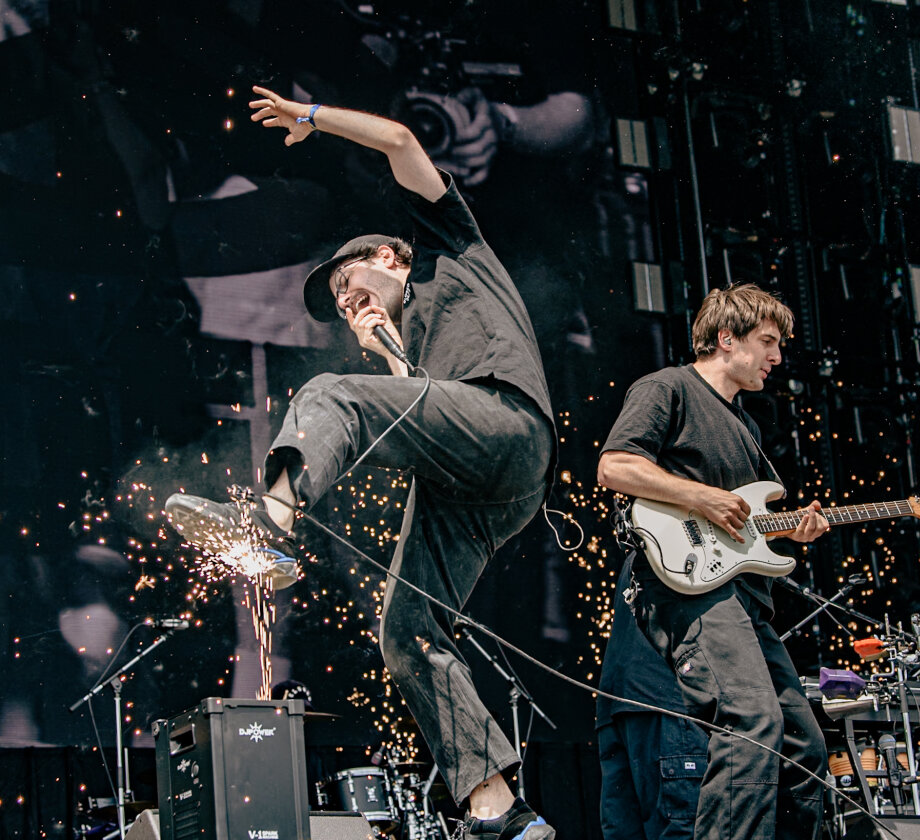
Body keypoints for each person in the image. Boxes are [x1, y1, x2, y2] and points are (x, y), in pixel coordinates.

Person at [164, 86, 556, 840]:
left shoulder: (450, 248)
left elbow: (403, 142)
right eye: (338, 302)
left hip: (507, 425)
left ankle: (267, 525)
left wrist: (312, 119)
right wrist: (386, 347)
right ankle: (499, 813)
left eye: (347, 285)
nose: (346, 303)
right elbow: (421, 413)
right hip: (476, 486)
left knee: (330, 393)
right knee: (405, 633)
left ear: (387, 257)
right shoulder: (409, 340)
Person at [596, 283, 830, 840]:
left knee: (805, 746)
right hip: (690, 590)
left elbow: (743, 522)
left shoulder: (745, 426)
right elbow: (615, 467)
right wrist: (700, 497)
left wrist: (791, 528)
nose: (778, 357)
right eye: (768, 341)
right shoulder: (668, 387)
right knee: (752, 721)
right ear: (726, 339)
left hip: (744, 599)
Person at [596, 558, 709, 840]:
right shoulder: (683, 537)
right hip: (667, 700)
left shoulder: (640, 537)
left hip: (618, 701)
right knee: (682, 830)